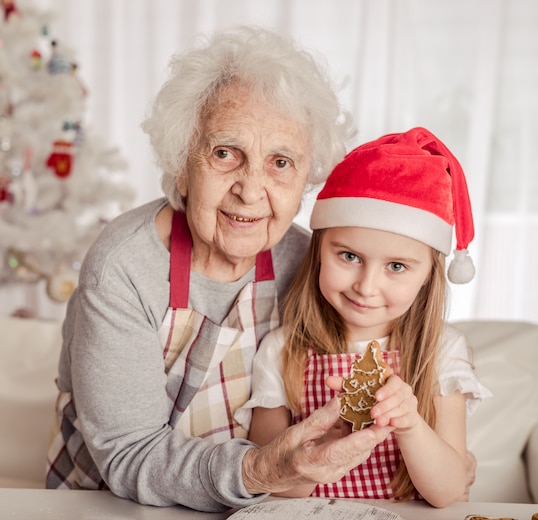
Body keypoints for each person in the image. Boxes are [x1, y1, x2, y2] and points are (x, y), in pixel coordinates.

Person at [44, 26, 394, 512]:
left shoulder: (311, 262)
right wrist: (263, 469)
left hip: (252, 508)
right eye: (225, 153)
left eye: (280, 162)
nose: (250, 190)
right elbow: (128, 454)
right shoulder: (124, 266)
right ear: (182, 165)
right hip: (111, 505)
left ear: (306, 178)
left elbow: (386, 352)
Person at [236, 127, 492, 508]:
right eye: (349, 257)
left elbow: (451, 492)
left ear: (428, 277)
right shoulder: (281, 350)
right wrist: (324, 445)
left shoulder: (441, 351)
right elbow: (271, 486)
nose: (366, 286)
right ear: (319, 251)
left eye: (396, 266)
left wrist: (408, 423)